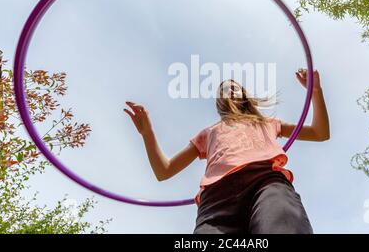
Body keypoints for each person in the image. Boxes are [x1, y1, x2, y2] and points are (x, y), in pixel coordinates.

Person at [124, 68, 330, 234]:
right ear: (219, 100)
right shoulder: (208, 133)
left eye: (235, 87)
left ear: (244, 95)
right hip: (216, 199)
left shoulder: (267, 123)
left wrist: (315, 92)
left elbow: (320, 133)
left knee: (283, 227)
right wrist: (147, 134)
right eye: (224, 89)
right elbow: (164, 171)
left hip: (266, 183)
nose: (230, 91)